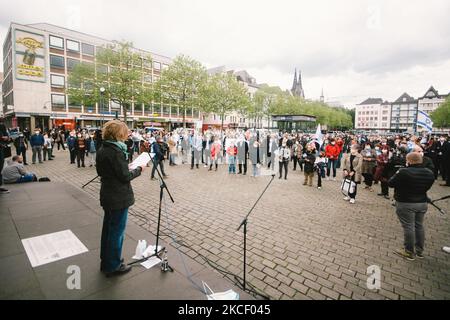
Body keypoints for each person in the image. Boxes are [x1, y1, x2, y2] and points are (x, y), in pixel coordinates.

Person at [96, 120, 143, 277]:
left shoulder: (103, 148)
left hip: (108, 194)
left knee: (108, 230)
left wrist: (125, 167)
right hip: (118, 197)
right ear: (118, 133)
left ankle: (106, 261)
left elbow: (108, 171)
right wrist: (138, 169)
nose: (127, 134)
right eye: (125, 132)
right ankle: (114, 265)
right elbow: (124, 176)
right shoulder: (116, 151)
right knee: (117, 232)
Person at [388, 152, 435, 261]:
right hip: (422, 202)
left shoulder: (404, 172)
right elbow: (427, 186)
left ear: (408, 161)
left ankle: (409, 251)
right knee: (419, 226)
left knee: (408, 226)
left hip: (406, 203)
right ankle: (419, 250)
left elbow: (391, 183)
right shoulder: (429, 172)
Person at [0, 118, 11, 194]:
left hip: (1, 148)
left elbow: (6, 136)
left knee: (1, 165)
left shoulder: (2, 126)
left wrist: (6, 138)